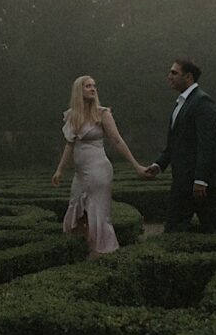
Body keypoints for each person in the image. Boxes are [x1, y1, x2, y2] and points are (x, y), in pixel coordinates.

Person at [52, 75, 149, 257]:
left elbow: (117, 141)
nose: (92, 89)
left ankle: (103, 253)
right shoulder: (73, 115)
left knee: (97, 213)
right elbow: (69, 145)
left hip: (99, 171)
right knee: (77, 211)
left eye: (94, 86)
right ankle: (81, 252)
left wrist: (136, 166)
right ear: (79, 91)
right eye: (88, 86)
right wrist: (60, 170)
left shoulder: (102, 113)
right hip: (80, 174)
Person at [145, 58, 216, 233]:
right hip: (183, 179)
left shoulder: (202, 102)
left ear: (188, 76)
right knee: (184, 228)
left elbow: (207, 144)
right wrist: (159, 165)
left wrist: (200, 180)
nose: (169, 77)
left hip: (198, 182)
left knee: (212, 228)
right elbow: (176, 142)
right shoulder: (182, 102)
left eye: (174, 73)